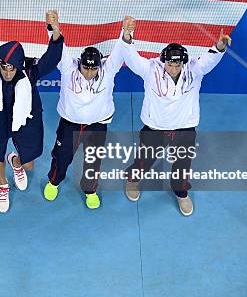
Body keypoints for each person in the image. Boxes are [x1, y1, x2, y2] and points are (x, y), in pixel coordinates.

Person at [119, 22, 231, 216]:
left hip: (184, 128)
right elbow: (131, 58)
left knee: (182, 164)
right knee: (145, 159)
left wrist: (220, 46)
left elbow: (210, 59)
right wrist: (127, 36)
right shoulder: (150, 69)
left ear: (183, 62)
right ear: (164, 61)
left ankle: (181, 193)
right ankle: (133, 180)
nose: (173, 67)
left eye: (178, 63)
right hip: (155, 126)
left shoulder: (194, 70)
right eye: (170, 63)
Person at [0, 12, 63, 213]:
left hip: (24, 118)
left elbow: (51, 59)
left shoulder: (30, 69)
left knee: (29, 165)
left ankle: (16, 163)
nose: (8, 73)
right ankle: (2, 185)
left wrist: (55, 30)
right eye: (4, 68)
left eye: (12, 69)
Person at [43, 15, 134, 209]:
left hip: (97, 126)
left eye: (94, 69)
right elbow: (59, 48)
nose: (90, 72)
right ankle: (54, 181)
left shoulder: (108, 72)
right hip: (69, 124)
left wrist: (126, 32)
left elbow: (120, 50)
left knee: (93, 161)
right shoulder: (68, 69)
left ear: (100, 65)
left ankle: (90, 191)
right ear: (80, 63)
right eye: (86, 68)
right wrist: (54, 27)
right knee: (62, 156)